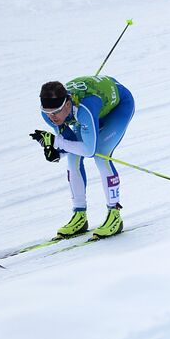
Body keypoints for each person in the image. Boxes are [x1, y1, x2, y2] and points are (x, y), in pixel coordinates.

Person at [30, 75, 135, 239]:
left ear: (66, 104)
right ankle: (79, 214)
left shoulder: (85, 109)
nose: (52, 117)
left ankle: (115, 215)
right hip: (93, 109)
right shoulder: (50, 114)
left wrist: (56, 142)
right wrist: (57, 152)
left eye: (56, 111)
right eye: (47, 112)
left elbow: (89, 150)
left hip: (118, 107)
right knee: (73, 160)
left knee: (101, 155)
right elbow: (69, 144)